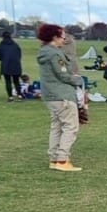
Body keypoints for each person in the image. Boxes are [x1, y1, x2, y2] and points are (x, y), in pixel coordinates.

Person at [37, 24, 87, 172]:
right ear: (55, 37)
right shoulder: (55, 54)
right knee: (70, 127)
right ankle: (62, 159)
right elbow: (63, 75)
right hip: (62, 95)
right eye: (62, 36)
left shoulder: (44, 53)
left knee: (57, 126)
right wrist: (78, 80)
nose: (64, 39)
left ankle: (54, 158)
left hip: (51, 96)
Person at [0, 31, 24, 102]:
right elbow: (19, 54)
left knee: (8, 81)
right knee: (16, 81)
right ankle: (19, 95)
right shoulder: (15, 44)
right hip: (16, 64)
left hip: (5, 65)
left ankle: (10, 96)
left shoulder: (1, 45)